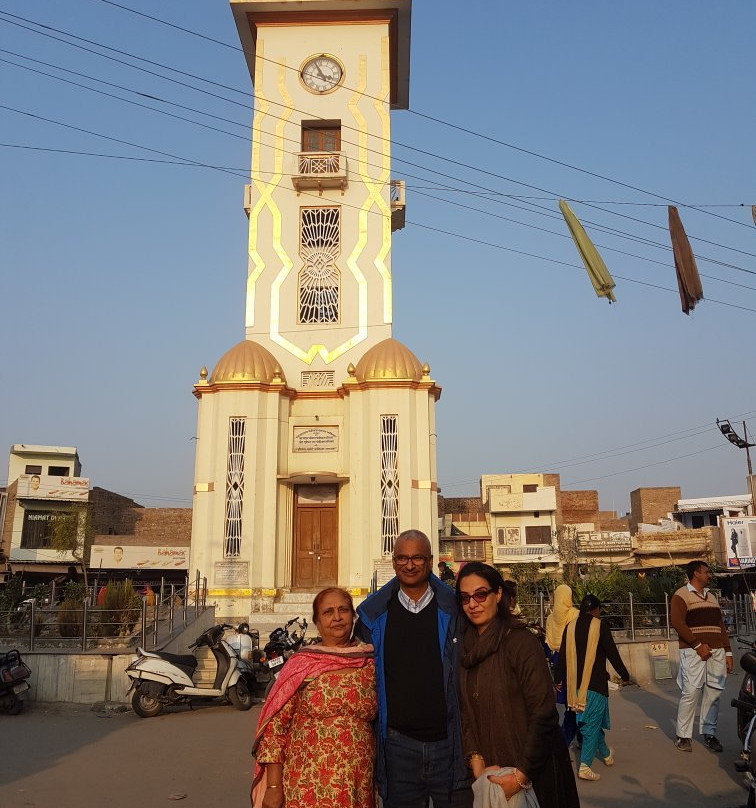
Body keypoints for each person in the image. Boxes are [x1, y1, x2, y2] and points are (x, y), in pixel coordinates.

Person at [356, 529, 472, 808]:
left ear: (430, 561)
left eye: (417, 557)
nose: (409, 565)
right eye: (402, 558)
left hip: (450, 743)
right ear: (394, 562)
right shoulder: (373, 616)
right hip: (398, 746)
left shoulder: (456, 611)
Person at [456, 562, 580, 808]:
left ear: (498, 594)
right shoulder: (465, 647)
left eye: (481, 594)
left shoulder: (520, 642)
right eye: (465, 597)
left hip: (533, 770)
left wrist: (521, 775)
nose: (473, 604)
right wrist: (476, 761)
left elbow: (543, 713)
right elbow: (465, 709)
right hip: (491, 772)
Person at [251, 587, 376, 808]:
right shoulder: (303, 664)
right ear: (317, 622)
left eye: (343, 610)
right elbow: (275, 730)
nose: (337, 618)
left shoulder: (369, 660)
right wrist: (273, 787)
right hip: (306, 784)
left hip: (358, 784)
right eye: (328, 612)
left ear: (353, 616)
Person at [554, 594, 631, 782]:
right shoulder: (600, 627)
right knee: (591, 726)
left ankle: (605, 754)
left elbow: (562, 656)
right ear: (596, 610)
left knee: (591, 723)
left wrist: (557, 679)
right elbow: (612, 653)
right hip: (595, 686)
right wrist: (625, 675)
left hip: (574, 687)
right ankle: (585, 766)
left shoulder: (569, 627)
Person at [670, 559, 733, 753]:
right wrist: (697, 645)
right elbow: (678, 623)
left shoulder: (712, 597)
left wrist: (728, 651)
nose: (709, 575)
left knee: (714, 692)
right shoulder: (681, 595)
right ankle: (683, 736)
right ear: (696, 573)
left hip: (717, 650)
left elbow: (720, 625)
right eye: (706, 572)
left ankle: (709, 734)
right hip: (693, 650)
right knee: (690, 692)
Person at [545, 584, 581, 745]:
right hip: (573, 659)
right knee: (578, 701)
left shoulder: (550, 618)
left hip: (557, 660)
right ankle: (566, 738)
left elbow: (549, 644)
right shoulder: (575, 614)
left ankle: (576, 736)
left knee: (568, 702)